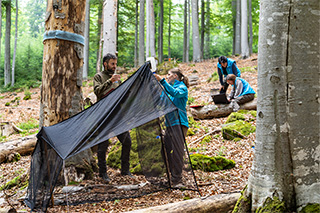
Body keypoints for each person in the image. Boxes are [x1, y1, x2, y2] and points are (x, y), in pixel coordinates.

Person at [93, 53, 132, 182]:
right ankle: (102, 173)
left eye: (115, 64)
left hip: (118, 116)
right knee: (103, 145)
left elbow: (122, 96)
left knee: (127, 141)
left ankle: (125, 170)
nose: (115, 66)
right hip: (103, 116)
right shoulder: (98, 77)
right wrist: (110, 81)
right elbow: (97, 91)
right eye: (112, 64)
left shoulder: (117, 79)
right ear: (105, 64)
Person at [154, 68, 189, 188]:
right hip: (169, 124)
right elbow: (161, 102)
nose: (167, 76)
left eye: (168, 75)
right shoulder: (168, 89)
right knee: (165, 149)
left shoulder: (182, 88)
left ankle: (177, 180)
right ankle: (170, 175)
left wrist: (162, 81)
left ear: (174, 76)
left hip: (179, 123)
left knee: (177, 152)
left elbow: (175, 93)